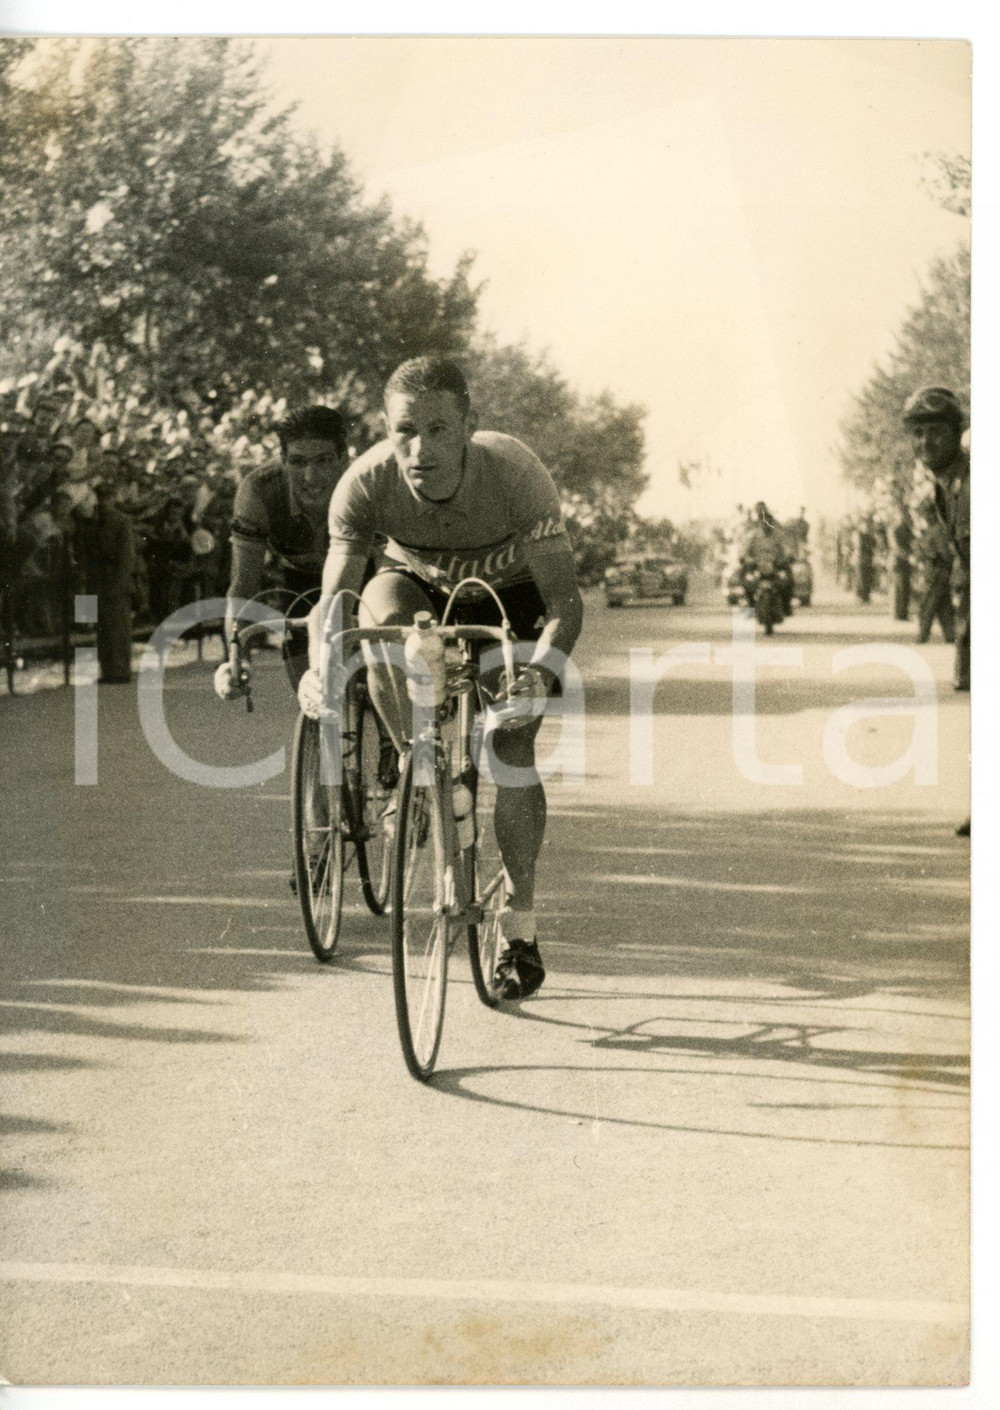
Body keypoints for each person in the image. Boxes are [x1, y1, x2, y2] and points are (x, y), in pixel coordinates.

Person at [304, 356, 584, 1001]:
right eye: (406, 430)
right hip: (419, 590)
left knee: (510, 748)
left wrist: (538, 675)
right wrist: (320, 670)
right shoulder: (365, 482)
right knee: (375, 616)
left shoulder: (515, 474)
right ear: (387, 429)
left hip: (509, 598)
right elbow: (335, 601)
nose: (420, 448)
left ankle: (520, 923)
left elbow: (566, 605)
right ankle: (418, 767)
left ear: (468, 427)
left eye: (438, 429)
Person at [213, 404, 351, 693]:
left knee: (376, 668)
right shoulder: (259, 492)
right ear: (283, 460)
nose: (310, 477)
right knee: (307, 684)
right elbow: (243, 587)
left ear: (343, 459)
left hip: (358, 576)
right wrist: (237, 659)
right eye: (298, 462)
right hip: (300, 580)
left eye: (324, 461)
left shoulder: (363, 484)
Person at [903, 386, 969, 689]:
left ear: (957, 433)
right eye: (918, 433)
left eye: (936, 432)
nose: (925, 442)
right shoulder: (945, 486)